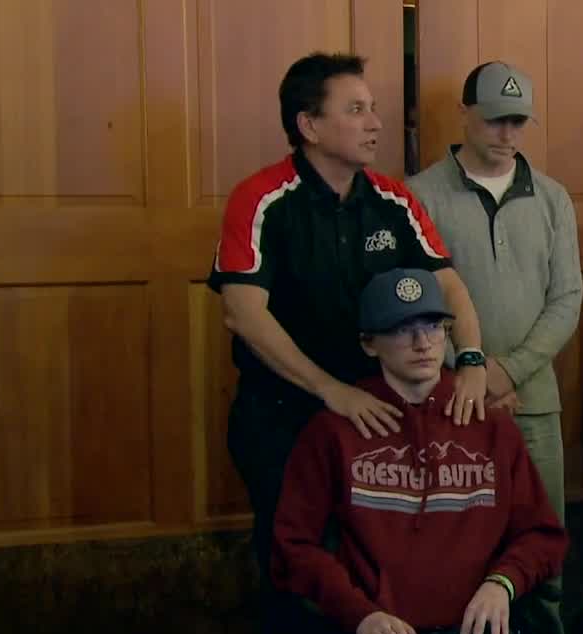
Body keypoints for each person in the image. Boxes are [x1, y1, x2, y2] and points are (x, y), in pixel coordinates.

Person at [207, 53, 488, 593]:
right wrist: (329, 390)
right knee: (294, 558)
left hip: (377, 411)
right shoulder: (261, 198)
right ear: (308, 125)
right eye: (356, 110)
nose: (376, 123)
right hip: (285, 411)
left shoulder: (392, 199)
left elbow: (449, 284)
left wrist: (471, 359)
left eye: (374, 109)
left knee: (372, 554)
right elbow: (241, 312)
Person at [272, 267, 567, 634]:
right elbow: (293, 546)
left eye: (432, 326)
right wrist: (357, 613)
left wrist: (502, 583)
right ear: (369, 343)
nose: (423, 342)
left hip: (471, 622)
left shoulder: (491, 427)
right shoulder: (334, 430)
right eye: (402, 329)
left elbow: (544, 536)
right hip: (375, 627)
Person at [407, 61, 582, 634]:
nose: (507, 134)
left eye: (517, 122)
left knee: (545, 548)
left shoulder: (554, 199)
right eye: (494, 120)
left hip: (534, 405)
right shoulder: (420, 194)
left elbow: (568, 300)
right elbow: (422, 298)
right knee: (456, 548)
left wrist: (508, 371)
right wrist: (469, 369)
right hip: (451, 405)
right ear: (465, 114)